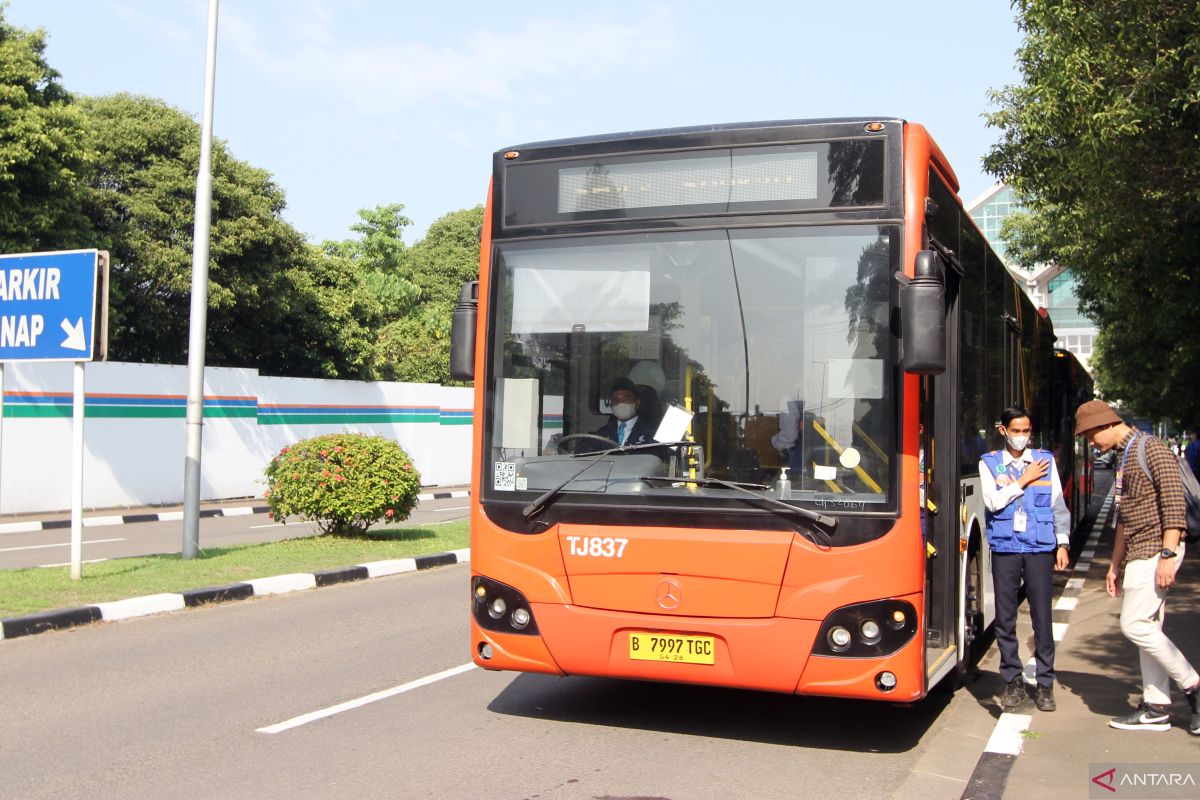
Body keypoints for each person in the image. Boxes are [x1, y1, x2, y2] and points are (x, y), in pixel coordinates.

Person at [1075, 399, 1200, 734]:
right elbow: (1123, 519)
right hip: (1138, 551)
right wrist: (1114, 565)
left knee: (1133, 625)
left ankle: (1193, 686)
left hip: (1157, 550)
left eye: (1090, 436)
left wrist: (1168, 556)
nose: (1090, 443)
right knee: (1148, 629)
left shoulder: (1153, 449)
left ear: (1105, 425)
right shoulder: (1124, 456)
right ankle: (1156, 706)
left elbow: (1174, 506)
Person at [979, 405, 1071, 712]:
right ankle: (1013, 682)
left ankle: (1045, 684)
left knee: (1042, 617)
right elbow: (992, 502)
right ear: (1003, 431)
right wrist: (1022, 481)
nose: (1022, 437)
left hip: (1039, 547)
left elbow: (1058, 503)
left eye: (1026, 431)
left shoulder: (1045, 461)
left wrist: (1062, 543)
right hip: (1006, 547)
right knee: (1005, 619)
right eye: (1016, 431)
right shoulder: (990, 464)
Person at [575, 378, 663, 456]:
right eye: (616, 400)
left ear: (637, 403)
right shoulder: (602, 433)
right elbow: (580, 453)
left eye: (626, 399)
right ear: (611, 405)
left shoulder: (652, 434)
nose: (621, 404)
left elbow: (656, 461)